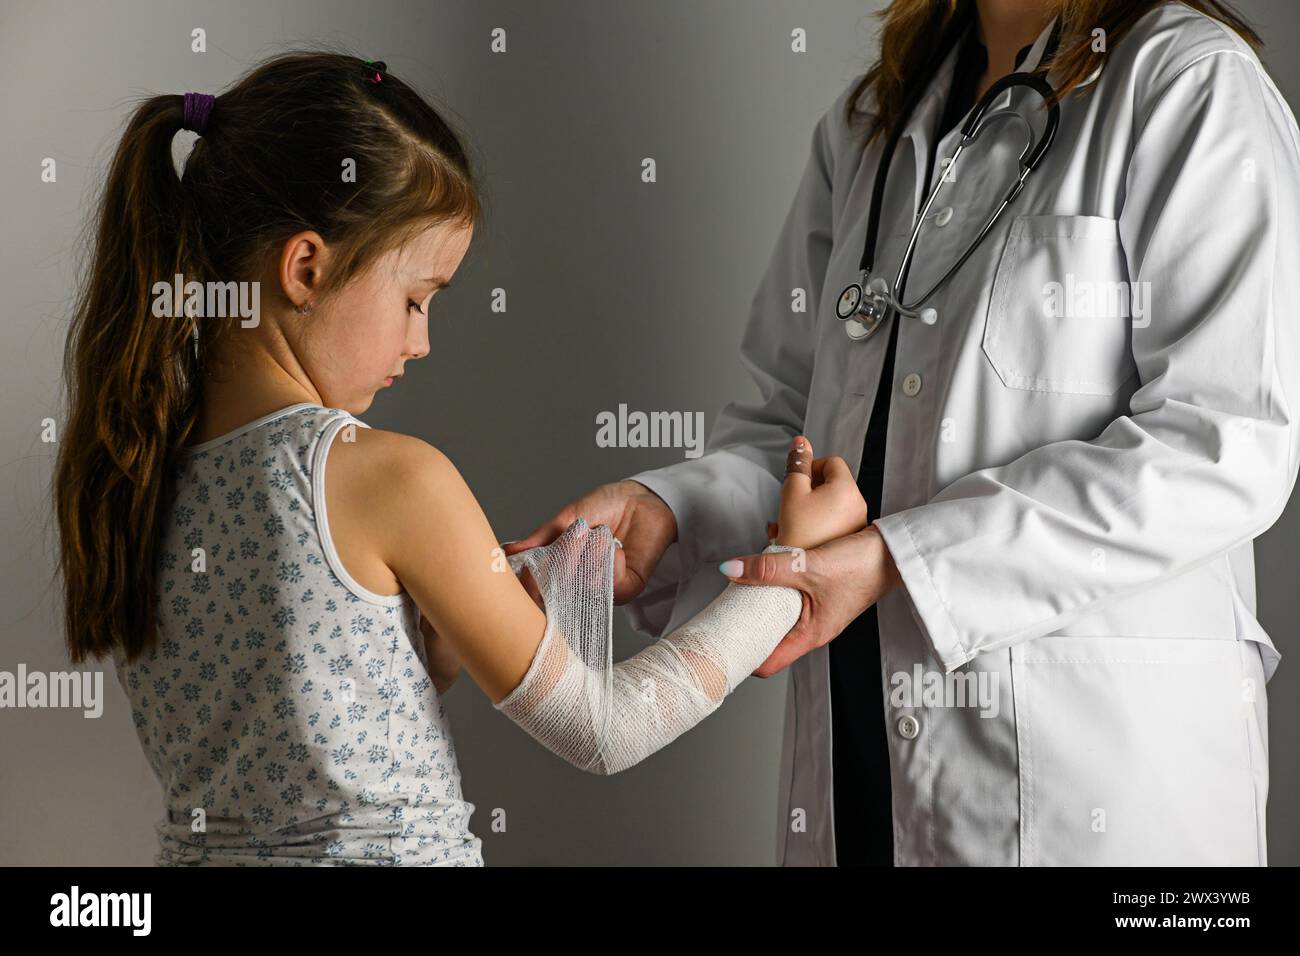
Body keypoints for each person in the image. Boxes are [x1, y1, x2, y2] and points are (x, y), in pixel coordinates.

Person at [510, 0, 1300, 865]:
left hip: (1089, 782)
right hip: (861, 756)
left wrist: (901, 559)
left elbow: (1226, 443)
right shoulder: (873, 125)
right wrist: (675, 511)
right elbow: (796, 430)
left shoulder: (1185, 80)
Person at [52, 51, 870, 865]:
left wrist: (448, 632)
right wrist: (786, 574)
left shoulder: (134, 472)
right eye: (416, 299)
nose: (422, 341)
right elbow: (606, 731)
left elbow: (312, 729)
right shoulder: (387, 477)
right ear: (306, 267)